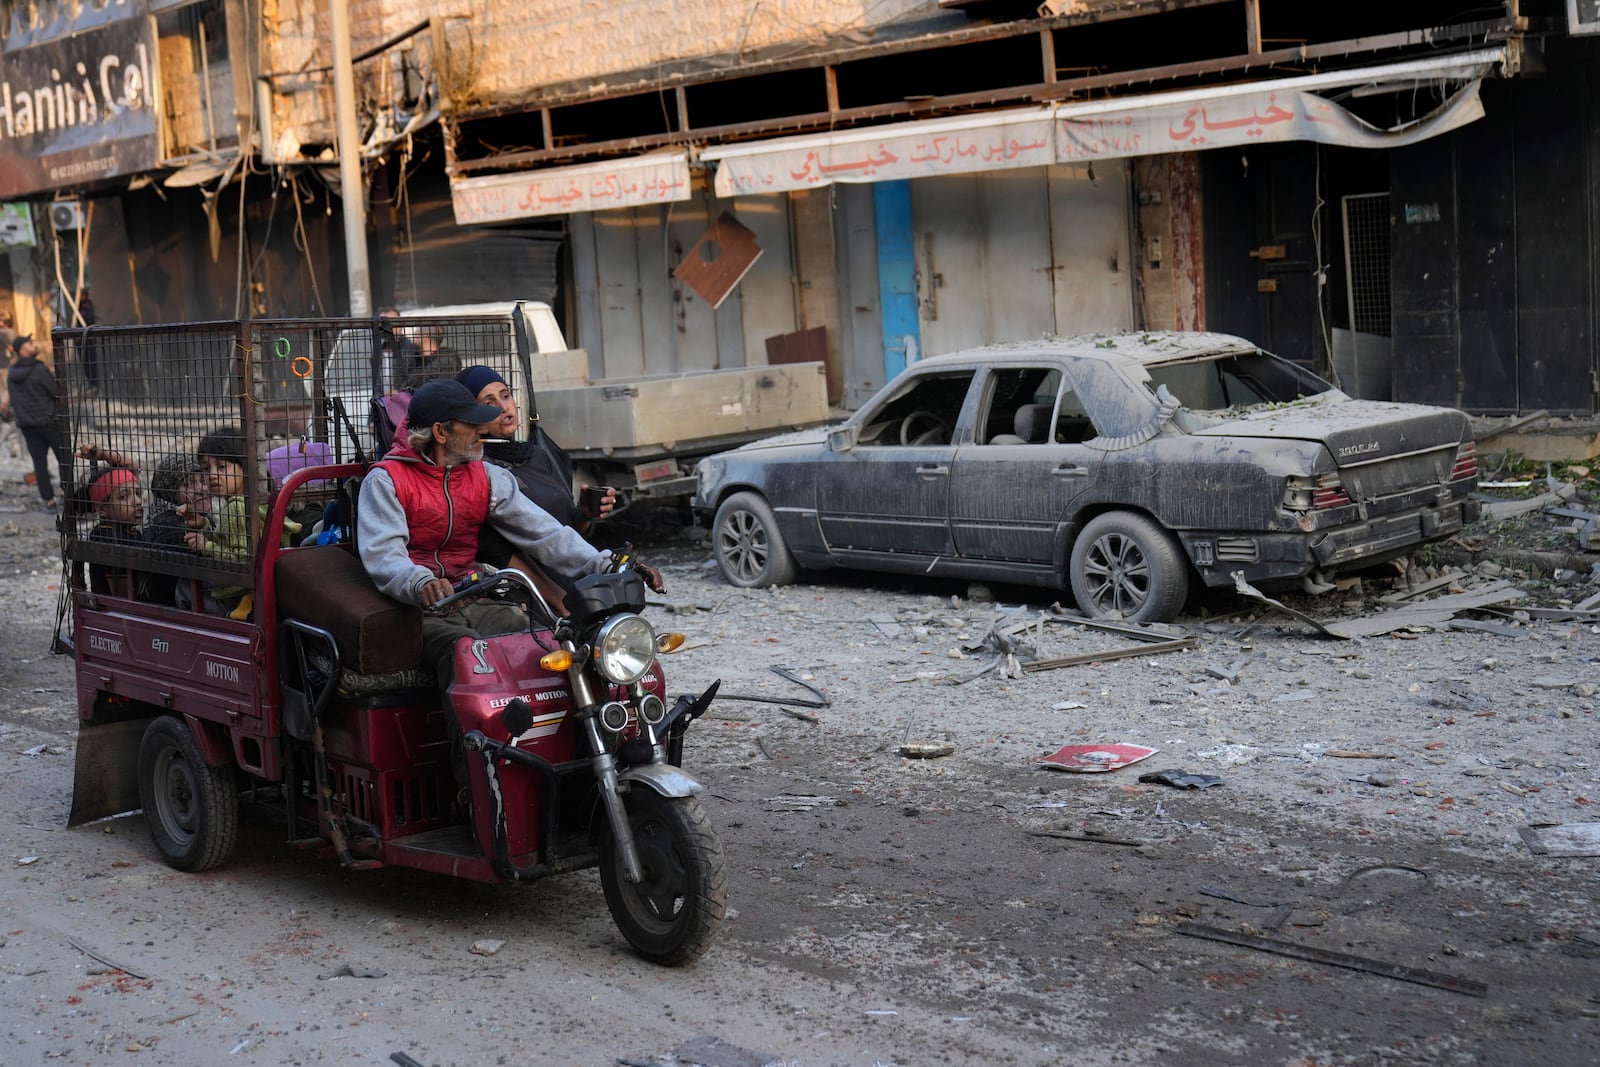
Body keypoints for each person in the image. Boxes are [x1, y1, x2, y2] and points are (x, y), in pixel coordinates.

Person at [356, 379, 662, 760]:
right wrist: (420, 583)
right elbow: (385, 556)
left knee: (547, 641)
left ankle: (577, 758)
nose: (483, 431)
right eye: (472, 424)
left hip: (472, 594)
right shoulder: (385, 481)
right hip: (416, 609)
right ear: (440, 433)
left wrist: (605, 563)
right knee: (463, 655)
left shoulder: (485, 477)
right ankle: (473, 783)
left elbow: (547, 535)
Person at [455, 364, 616, 613]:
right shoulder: (479, 471)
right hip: (525, 598)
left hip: (570, 583)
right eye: (488, 402)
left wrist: (584, 514)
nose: (503, 407)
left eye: (505, 395)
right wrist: (558, 599)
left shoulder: (537, 455)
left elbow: (563, 533)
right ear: (472, 418)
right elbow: (498, 551)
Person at [144, 451, 211, 606]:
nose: (202, 489)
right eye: (188, 484)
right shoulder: (167, 527)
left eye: (202, 480)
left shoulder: (205, 520)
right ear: (169, 491)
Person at [77, 446, 145, 597]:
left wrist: (103, 454)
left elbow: (132, 467)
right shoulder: (108, 536)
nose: (138, 502)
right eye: (123, 497)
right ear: (102, 509)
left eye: (138, 493)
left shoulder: (123, 529)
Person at [8, 335, 65, 510]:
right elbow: (55, 391)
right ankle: (67, 494)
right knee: (64, 458)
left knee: (39, 464)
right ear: (23, 350)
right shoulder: (38, 369)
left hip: (28, 426)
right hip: (49, 422)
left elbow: (15, 400)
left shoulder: (12, 373)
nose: (35, 345)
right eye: (31, 344)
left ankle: (48, 500)